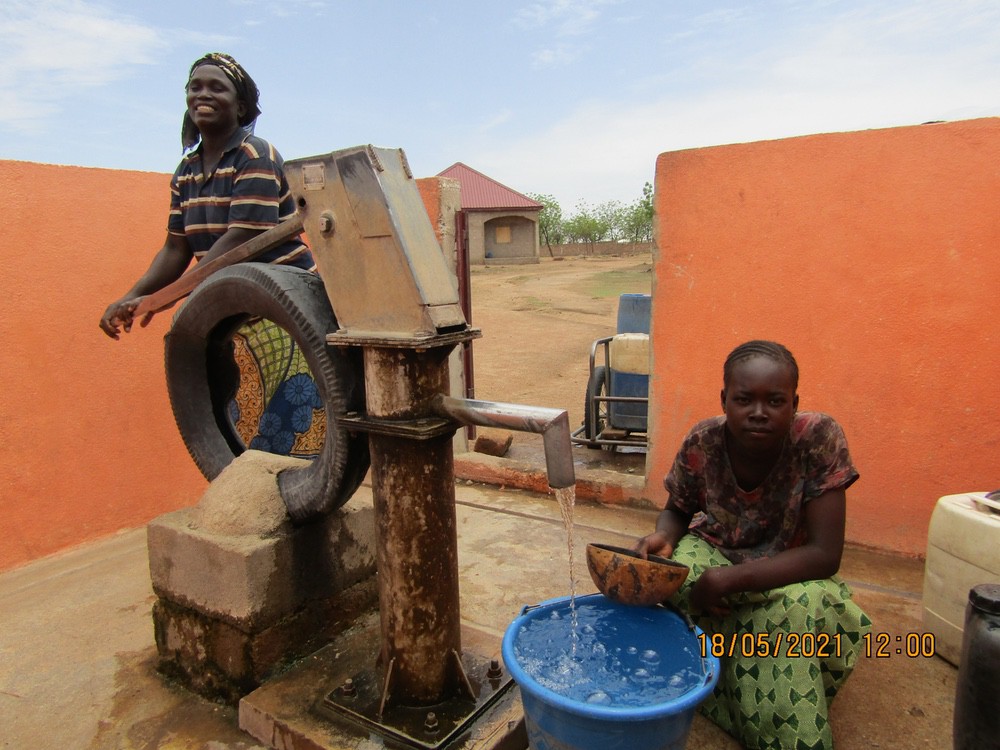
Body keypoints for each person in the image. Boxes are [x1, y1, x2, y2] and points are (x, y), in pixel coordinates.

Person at [635, 340, 871, 750]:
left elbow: (824, 554)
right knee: (669, 577)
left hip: (787, 575)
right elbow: (677, 511)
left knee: (799, 611)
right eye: (744, 399)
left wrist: (729, 581)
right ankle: (751, 679)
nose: (759, 412)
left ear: (794, 403)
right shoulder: (703, 441)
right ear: (724, 400)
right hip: (715, 557)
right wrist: (664, 537)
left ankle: (751, 700)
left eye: (775, 401)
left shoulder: (819, 439)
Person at [99, 53, 324, 457]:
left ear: (240, 106)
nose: (202, 94)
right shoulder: (185, 171)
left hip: (285, 310)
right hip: (228, 308)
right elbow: (175, 247)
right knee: (235, 427)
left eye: (216, 87)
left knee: (292, 429)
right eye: (195, 87)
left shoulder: (255, 155)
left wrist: (167, 297)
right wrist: (130, 296)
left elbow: (240, 242)